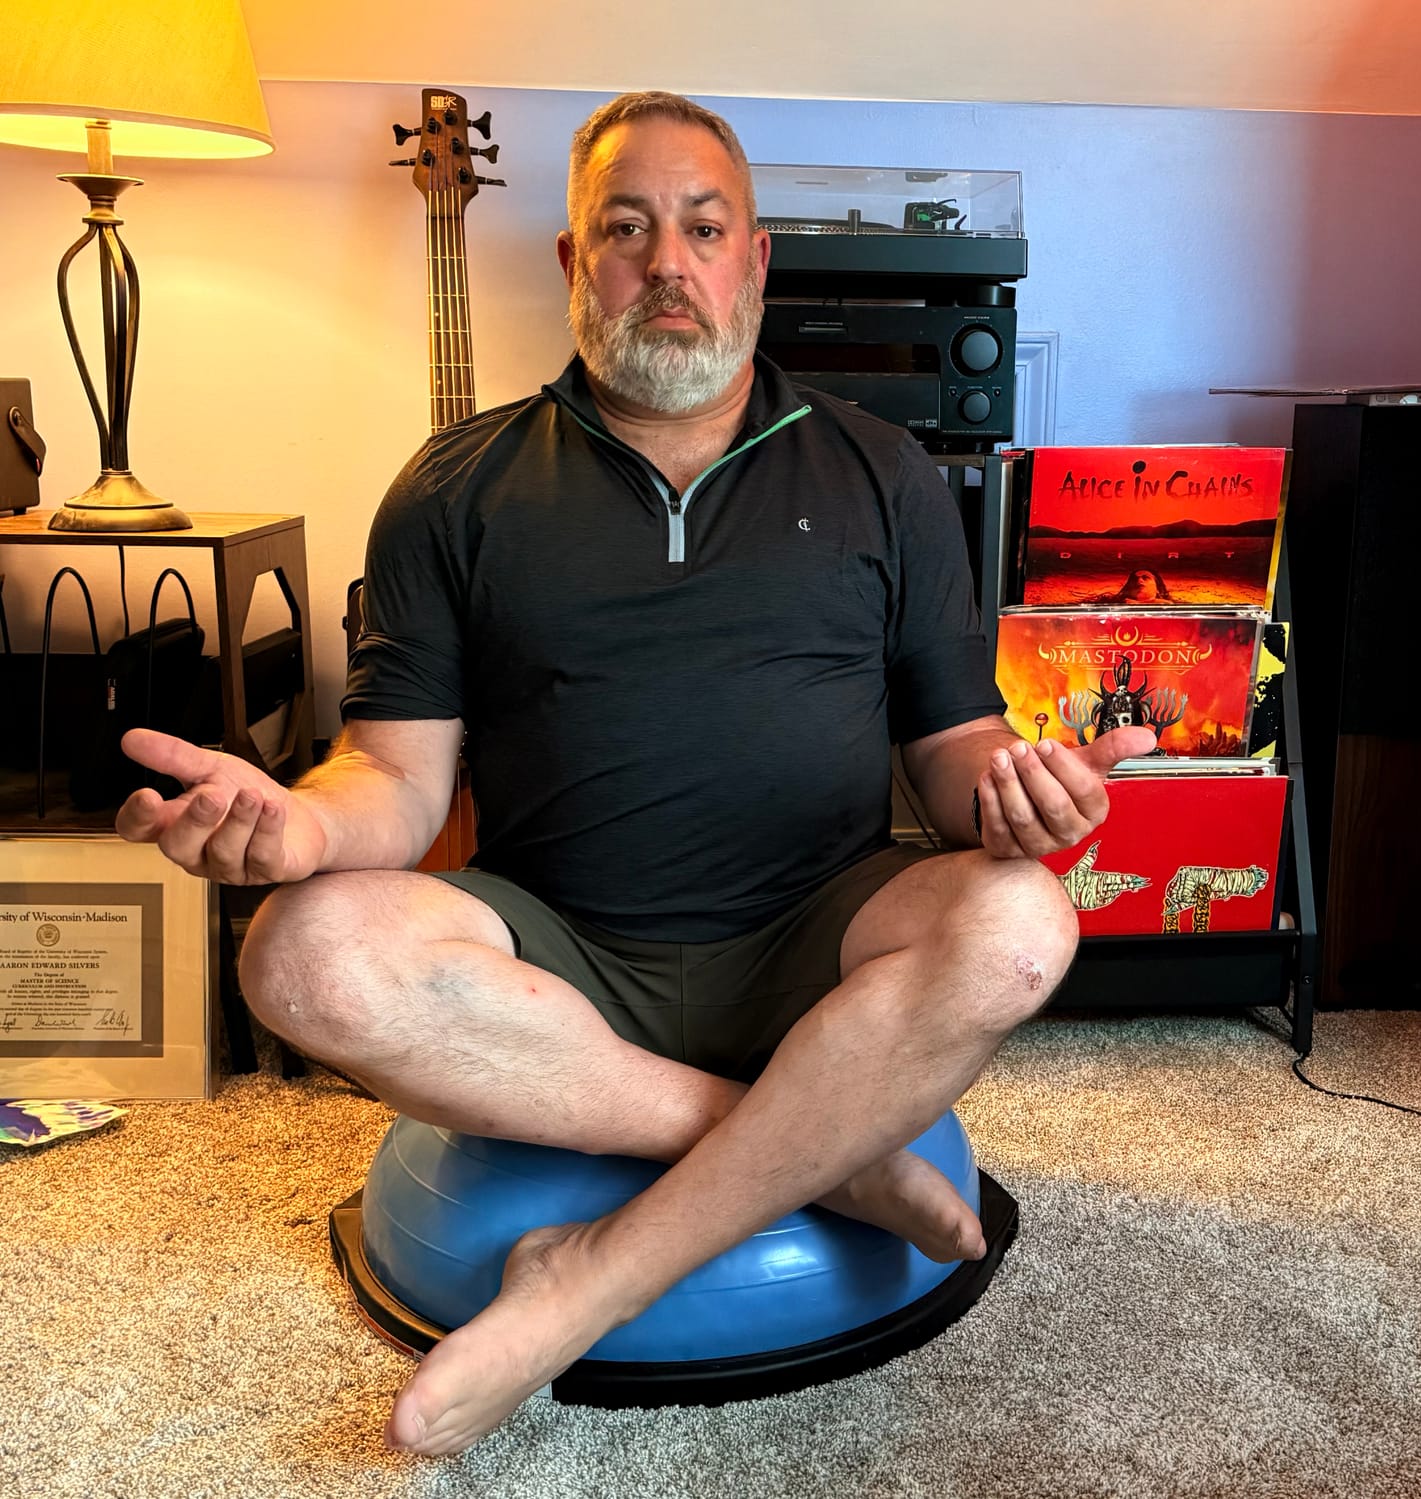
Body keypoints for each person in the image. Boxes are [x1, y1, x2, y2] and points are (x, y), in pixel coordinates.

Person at [113, 91, 1154, 1458]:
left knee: (1023, 922)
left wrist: (1021, 794)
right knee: (298, 957)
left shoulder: (886, 473)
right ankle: (822, 1155)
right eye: (627, 228)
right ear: (573, 261)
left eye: (705, 229)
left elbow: (955, 748)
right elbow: (395, 778)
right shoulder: (453, 486)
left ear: (756, 261)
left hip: (815, 938)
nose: (669, 263)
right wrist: (299, 829)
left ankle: (591, 1277)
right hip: (560, 964)